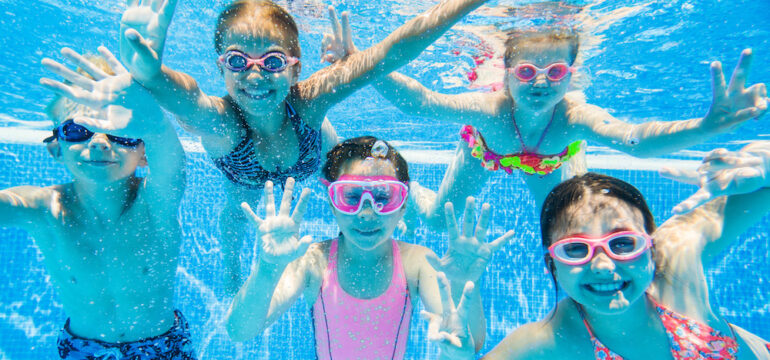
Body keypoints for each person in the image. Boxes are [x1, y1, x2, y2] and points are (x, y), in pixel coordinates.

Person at [118, 0, 495, 294]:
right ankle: (231, 268)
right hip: (246, 178)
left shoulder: (308, 101)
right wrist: (151, 73)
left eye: (272, 61)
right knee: (235, 211)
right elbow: (187, 97)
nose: (254, 75)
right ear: (221, 68)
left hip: (317, 158)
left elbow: (390, 53)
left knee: (349, 185)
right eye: (237, 60)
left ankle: (402, 203)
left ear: (296, 69)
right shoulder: (223, 123)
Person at [322, 20, 769, 230]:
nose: (540, 83)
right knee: (439, 220)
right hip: (486, 151)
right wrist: (358, 62)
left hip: (554, 161)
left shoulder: (573, 116)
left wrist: (706, 127)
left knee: (573, 224)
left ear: (571, 75)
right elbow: (422, 103)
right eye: (526, 72)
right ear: (507, 72)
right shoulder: (490, 110)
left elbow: (633, 140)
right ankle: (416, 193)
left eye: (555, 72)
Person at [426, 142, 770, 359]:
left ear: (651, 246)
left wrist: (762, 162)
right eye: (576, 250)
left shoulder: (678, 252)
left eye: (623, 243)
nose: (604, 266)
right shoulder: (552, 339)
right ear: (553, 265)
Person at [225, 136, 514, 359]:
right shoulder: (313, 262)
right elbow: (239, 331)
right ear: (332, 204)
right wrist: (267, 268)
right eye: (350, 196)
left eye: (383, 197)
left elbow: (468, 344)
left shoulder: (418, 263)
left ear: (402, 207)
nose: (367, 212)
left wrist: (464, 284)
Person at [0, 47, 194, 358]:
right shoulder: (43, 208)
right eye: (78, 130)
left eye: (122, 132)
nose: (100, 142)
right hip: (83, 350)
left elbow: (173, 165)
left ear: (144, 153)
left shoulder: (155, 201)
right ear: (57, 149)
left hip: (162, 347)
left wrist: (153, 120)